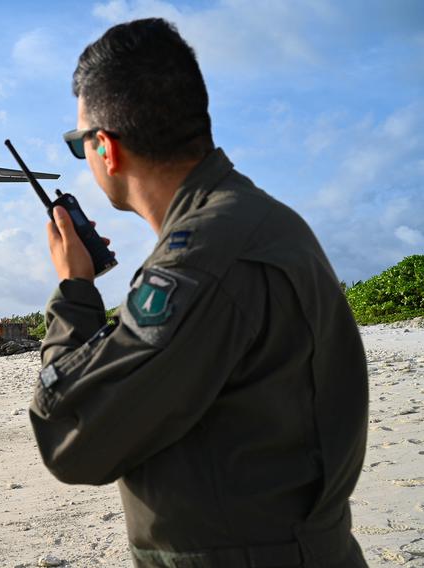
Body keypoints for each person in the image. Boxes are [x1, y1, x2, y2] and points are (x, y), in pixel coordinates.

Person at [29, 18, 369, 568]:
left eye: (78, 144)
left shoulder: (199, 262)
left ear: (106, 149)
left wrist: (73, 288)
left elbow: (71, 436)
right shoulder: (263, 221)